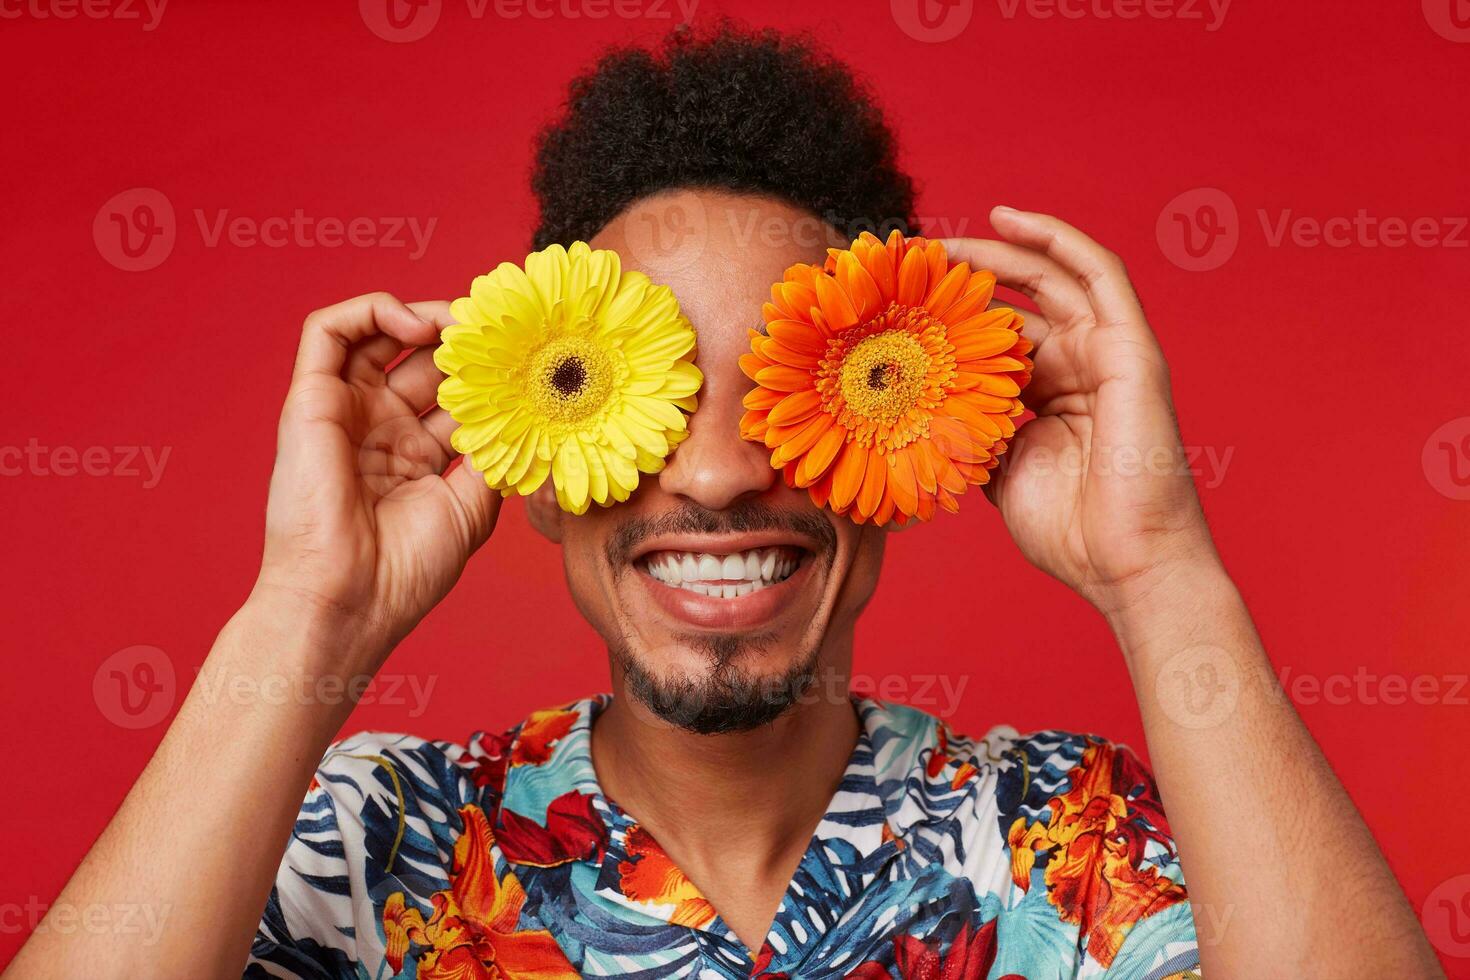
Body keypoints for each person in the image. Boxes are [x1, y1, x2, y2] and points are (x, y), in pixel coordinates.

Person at [5, 26, 1440, 980]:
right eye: (648, 397)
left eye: (776, 391)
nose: (711, 473)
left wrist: (1160, 570)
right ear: (531, 457)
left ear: (904, 421)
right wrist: (302, 616)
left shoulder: (1066, 839)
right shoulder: (370, 837)